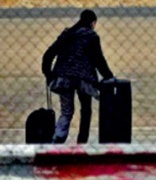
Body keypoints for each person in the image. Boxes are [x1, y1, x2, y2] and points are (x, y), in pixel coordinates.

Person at [41, 9, 114, 144]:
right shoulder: (91, 36)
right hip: (83, 80)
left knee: (66, 111)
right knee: (86, 110)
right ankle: (82, 142)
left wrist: (48, 74)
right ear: (93, 23)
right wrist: (110, 77)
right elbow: (99, 61)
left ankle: (58, 138)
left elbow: (49, 54)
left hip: (64, 78)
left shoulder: (67, 34)